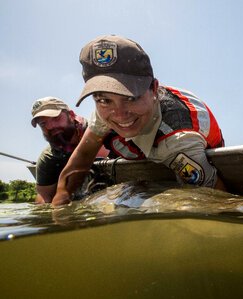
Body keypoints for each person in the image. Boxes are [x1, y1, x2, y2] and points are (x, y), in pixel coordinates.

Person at [52, 35, 225, 206]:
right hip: (144, 142)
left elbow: (217, 198)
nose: (119, 114)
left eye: (131, 97)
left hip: (179, 146)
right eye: (104, 100)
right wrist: (61, 200)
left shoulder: (178, 140)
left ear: (154, 89)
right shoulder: (105, 113)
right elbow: (84, 154)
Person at [31, 97, 110, 204]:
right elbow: (45, 199)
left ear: (71, 115)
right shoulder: (48, 159)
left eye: (56, 118)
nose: (50, 126)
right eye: (43, 124)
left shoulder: (100, 128)